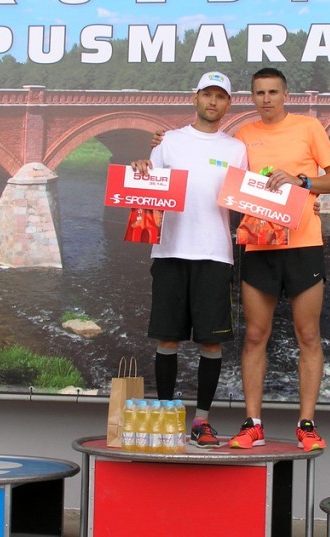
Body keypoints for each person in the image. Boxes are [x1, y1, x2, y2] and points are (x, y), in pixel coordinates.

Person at [228, 67, 330, 452]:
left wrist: (303, 182)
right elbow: (215, 166)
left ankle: (306, 425)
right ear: (252, 97)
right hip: (259, 247)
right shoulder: (243, 135)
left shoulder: (309, 127)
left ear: (286, 95)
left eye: (273, 92)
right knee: (255, 335)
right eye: (259, 93)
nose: (266, 99)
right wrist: (162, 144)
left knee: (307, 335)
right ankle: (253, 425)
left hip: (303, 245)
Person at [130, 71, 247, 448]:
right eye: (207, 94)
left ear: (228, 104)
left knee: (211, 343)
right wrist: (141, 169)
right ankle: (167, 418)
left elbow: (248, 197)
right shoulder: (168, 141)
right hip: (170, 250)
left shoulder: (237, 149)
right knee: (167, 339)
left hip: (215, 253)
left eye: (220, 96)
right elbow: (149, 184)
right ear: (195, 98)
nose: (213, 101)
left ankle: (202, 421)